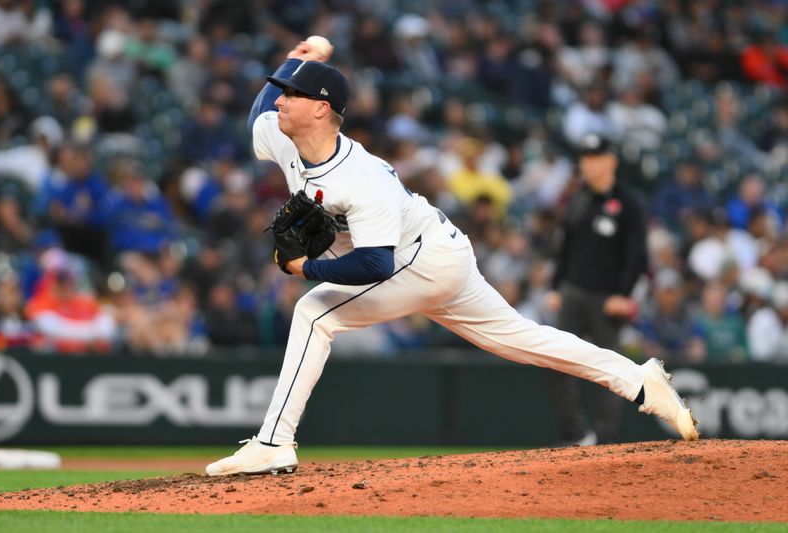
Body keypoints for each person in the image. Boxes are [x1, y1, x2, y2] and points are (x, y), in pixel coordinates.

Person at [205, 38, 698, 477]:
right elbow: (256, 119)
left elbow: (375, 265)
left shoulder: (361, 181)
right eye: (281, 91)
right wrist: (294, 60)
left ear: (321, 109)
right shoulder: (284, 134)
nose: (279, 101)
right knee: (522, 339)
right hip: (438, 252)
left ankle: (274, 442)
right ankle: (639, 380)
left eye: (291, 93)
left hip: (421, 261)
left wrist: (304, 269)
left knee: (314, 312)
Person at [546, 133, 649, 445]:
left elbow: (637, 255)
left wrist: (624, 293)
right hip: (573, 292)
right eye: (586, 158)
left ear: (611, 160)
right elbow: (564, 246)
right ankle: (575, 434)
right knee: (558, 361)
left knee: (609, 370)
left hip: (607, 299)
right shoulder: (578, 198)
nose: (589, 164)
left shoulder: (629, 204)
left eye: (595, 157)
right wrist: (555, 286)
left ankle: (605, 438)